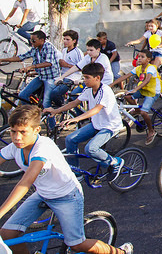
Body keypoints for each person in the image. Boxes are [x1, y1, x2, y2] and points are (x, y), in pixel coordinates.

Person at [0, 105, 133, 254]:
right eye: (13, 131)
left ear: (36, 130)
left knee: (77, 245)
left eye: (23, 132)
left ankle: (120, 252)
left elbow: (25, 182)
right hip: (43, 194)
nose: (17, 137)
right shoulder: (16, 147)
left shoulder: (43, 147)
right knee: (7, 234)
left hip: (67, 197)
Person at [44, 63, 125, 174]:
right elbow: (74, 103)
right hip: (96, 124)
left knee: (90, 149)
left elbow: (96, 109)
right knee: (70, 139)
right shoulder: (88, 89)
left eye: (87, 77)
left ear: (97, 78)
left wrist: (76, 119)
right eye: (83, 77)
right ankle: (75, 172)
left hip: (109, 126)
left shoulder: (105, 91)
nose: (84, 80)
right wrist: (56, 111)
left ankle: (115, 162)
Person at [110, 49, 160, 145]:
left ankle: (151, 131)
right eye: (138, 56)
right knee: (127, 96)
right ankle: (137, 110)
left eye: (142, 57)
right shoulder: (138, 68)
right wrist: (112, 84)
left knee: (144, 112)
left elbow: (147, 80)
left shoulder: (151, 68)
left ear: (148, 59)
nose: (139, 59)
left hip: (152, 92)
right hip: (143, 89)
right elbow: (124, 77)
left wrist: (135, 89)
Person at [0, 30, 60, 109]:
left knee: (46, 103)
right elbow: (21, 57)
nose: (31, 42)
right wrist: (2, 60)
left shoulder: (48, 47)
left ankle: (50, 117)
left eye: (33, 41)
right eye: (31, 40)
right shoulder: (35, 48)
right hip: (41, 76)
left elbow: (49, 63)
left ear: (42, 40)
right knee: (22, 95)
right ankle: (30, 112)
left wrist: (31, 67)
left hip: (51, 78)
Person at [50, 30, 84, 107]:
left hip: (72, 77)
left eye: (68, 39)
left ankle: (63, 108)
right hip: (62, 75)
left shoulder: (77, 52)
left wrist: (67, 65)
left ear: (74, 41)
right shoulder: (64, 50)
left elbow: (82, 68)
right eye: (64, 39)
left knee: (56, 93)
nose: (65, 41)